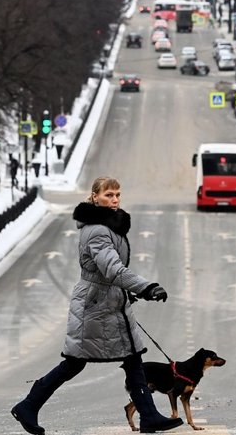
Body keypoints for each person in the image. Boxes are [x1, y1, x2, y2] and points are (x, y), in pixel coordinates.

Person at [11, 177, 183, 435]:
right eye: (109, 195)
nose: (114, 200)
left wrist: (126, 293)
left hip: (109, 303)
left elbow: (109, 273)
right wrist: (144, 287)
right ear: (94, 197)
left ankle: (149, 417)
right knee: (74, 362)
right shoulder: (98, 231)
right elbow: (112, 269)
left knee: (133, 358)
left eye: (117, 195)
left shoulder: (110, 226)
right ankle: (28, 405)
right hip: (94, 307)